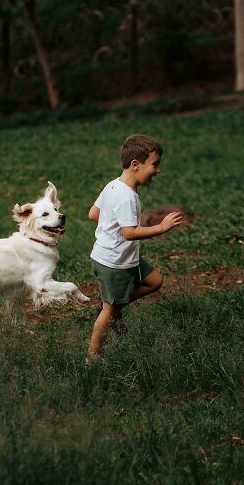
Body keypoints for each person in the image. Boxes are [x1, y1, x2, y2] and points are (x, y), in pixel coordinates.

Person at [86, 133, 184, 362]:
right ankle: (93, 356)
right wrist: (162, 227)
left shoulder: (112, 185)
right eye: (155, 164)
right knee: (109, 311)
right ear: (135, 164)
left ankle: (113, 305)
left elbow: (93, 214)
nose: (158, 170)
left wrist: (109, 227)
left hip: (120, 256)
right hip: (114, 262)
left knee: (154, 281)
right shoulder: (127, 197)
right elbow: (129, 232)